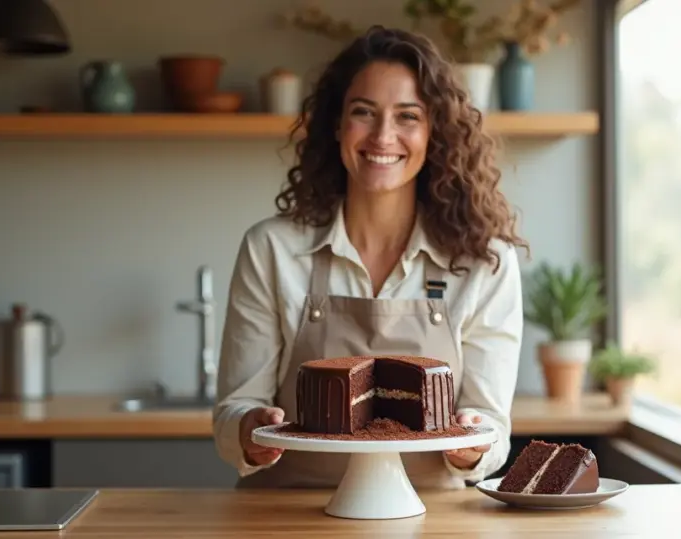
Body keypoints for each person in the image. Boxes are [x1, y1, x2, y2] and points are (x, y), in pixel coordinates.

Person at [213, 25, 527, 490]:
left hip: (430, 518)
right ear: (337, 125)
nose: (383, 136)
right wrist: (249, 429)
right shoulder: (272, 250)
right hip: (287, 514)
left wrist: (473, 445)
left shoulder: (485, 262)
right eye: (364, 112)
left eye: (407, 116)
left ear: (434, 132)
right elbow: (233, 412)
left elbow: (493, 428)